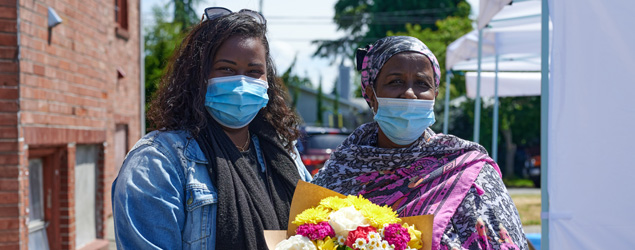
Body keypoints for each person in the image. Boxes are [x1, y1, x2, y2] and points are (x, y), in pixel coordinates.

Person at [112, 7, 311, 250]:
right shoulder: (157, 163)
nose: (241, 83)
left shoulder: (284, 153)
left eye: (254, 72)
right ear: (198, 76)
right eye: (226, 69)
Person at [312, 36, 528, 250]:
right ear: (371, 94)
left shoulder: (470, 171)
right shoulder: (341, 170)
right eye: (395, 81)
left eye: (422, 84)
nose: (409, 94)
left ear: (435, 94)